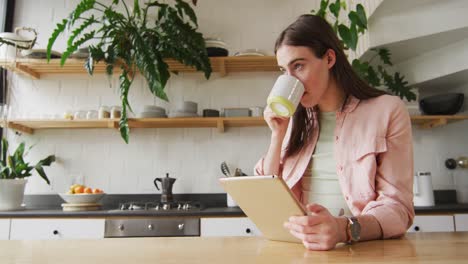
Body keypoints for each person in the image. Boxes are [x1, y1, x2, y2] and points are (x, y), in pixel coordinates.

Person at [254, 14, 414, 250]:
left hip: (363, 251)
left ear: (329, 58)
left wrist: (343, 229)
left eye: (298, 66)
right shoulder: (294, 120)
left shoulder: (387, 111)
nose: (291, 80)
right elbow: (267, 198)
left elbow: (398, 209)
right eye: (283, 70)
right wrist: (277, 136)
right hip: (301, 250)